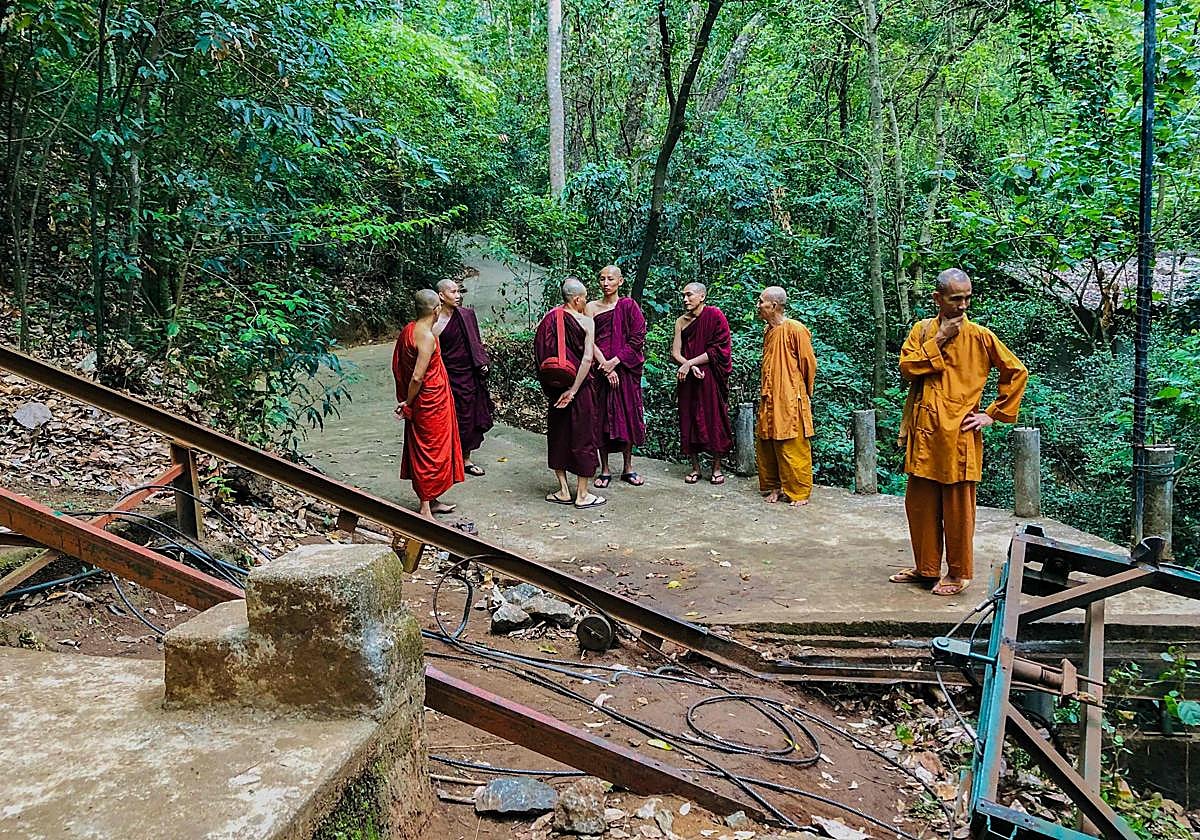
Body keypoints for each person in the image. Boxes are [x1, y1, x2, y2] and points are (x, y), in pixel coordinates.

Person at [890, 268, 1028, 596]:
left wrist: (991, 415)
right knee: (920, 504)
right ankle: (926, 568)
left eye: (967, 298)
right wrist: (938, 340)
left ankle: (958, 573)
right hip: (925, 432)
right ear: (938, 299)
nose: (963, 305)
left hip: (959, 435)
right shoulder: (922, 331)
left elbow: (1016, 371)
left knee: (958, 510)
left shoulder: (980, 336)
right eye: (956, 299)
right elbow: (908, 369)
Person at [392, 289, 465, 519]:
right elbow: (416, 376)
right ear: (435, 310)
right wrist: (408, 403)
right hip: (428, 401)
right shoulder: (426, 336)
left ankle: (432, 500)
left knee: (431, 448)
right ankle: (425, 507)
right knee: (430, 451)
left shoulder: (408, 330)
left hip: (434, 398)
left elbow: (398, 366)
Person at [534, 278, 605, 509]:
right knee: (584, 437)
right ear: (577, 299)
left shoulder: (549, 318)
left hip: (556, 387)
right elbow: (587, 358)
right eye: (584, 298)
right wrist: (573, 390)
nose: (586, 302)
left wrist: (554, 387)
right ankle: (582, 494)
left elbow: (539, 353)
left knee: (559, 436)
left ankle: (563, 490)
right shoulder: (586, 322)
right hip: (580, 389)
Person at [586, 265, 647, 488]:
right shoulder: (591, 307)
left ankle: (628, 467)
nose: (605, 283)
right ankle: (604, 469)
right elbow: (588, 340)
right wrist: (605, 364)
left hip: (625, 371)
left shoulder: (629, 306)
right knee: (601, 417)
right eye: (601, 279)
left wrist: (615, 362)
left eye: (610, 279)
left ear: (620, 282)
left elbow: (637, 338)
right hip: (601, 370)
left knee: (628, 416)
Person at [755, 286, 817, 507]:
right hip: (769, 396)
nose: (758, 306)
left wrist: (800, 393)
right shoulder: (768, 331)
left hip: (790, 397)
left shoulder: (795, 329)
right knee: (768, 441)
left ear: (773, 306)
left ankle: (799, 491)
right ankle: (776, 487)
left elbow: (808, 364)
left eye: (761, 302)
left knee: (792, 442)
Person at [671, 282, 733, 484]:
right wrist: (687, 365)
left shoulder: (714, 315)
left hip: (709, 376)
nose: (685, 299)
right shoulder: (681, 321)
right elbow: (675, 353)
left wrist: (691, 363)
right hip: (687, 377)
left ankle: (716, 467)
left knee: (714, 419)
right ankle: (695, 467)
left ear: (702, 296)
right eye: (683, 296)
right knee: (689, 419)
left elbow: (720, 349)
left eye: (689, 295)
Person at [433, 277, 495, 476]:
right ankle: (448, 458)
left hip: (468, 375)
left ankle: (466, 459)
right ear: (441, 296)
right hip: (446, 377)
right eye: (453, 292)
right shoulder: (434, 322)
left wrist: (482, 361)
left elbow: (476, 342)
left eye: (459, 292)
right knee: (447, 419)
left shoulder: (467, 315)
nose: (458, 296)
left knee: (469, 418)